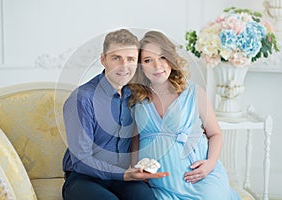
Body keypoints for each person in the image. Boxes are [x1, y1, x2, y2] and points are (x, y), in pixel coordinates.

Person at [129, 31, 240, 200]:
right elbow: (135, 140)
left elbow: (215, 133)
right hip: (159, 187)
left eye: (162, 57)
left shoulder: (194, 93)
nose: (157, 66)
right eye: (147, 60)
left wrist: (210, 164)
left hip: (200, 181)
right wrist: (136, 170)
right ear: (140, 66)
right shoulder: (138, 99)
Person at [62, 29, 169, 200]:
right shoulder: (82, 99)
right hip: (85, 178)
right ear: (103, 60)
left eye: (131, 59)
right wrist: (124, 175)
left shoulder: (135, 94)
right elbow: (81, 160)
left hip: (124, 176)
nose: (124, 66)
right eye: (116, 58)